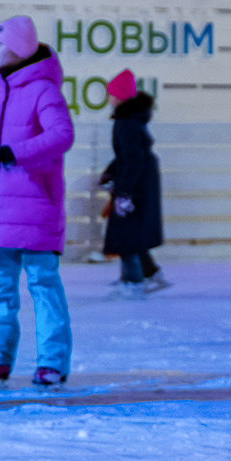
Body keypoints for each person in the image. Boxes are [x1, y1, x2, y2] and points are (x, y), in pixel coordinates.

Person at [0, 15, 75, 385]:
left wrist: (17, 153)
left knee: (44, 286)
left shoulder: (44, 91)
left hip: (36, 208)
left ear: (21, 46)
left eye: (1, 42)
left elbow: (62, 134)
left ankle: (53, 360)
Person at [99, 69, 163, 294]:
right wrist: (111, 172)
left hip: (135, 187)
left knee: (125, 234)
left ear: (119, 97)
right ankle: (150, 273)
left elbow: (133, 158)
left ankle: (133, 280)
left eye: (112, 94)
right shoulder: (131, 121)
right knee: (134, 233)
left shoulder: (126, 123)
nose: (109, 99)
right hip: (140, 184)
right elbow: (128, 155)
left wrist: (124, 192)